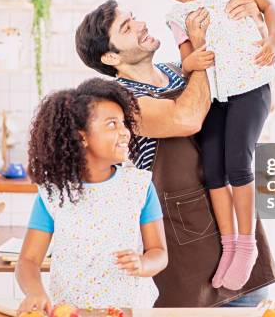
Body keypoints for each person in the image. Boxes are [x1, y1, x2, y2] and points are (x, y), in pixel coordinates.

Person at [75, 0, 275, 307]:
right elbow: (186, 118)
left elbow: (263, 98)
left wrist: (259, 28)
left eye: (134, 17)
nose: (141, 25)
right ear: (110, 56)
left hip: (238, 236)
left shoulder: (178, 69)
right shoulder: (124, 102)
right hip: (187, 254)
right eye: (127, 27)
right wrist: (201, 51)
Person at [130, 0, 275, 290]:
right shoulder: (175, 16)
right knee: (212, 167)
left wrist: (271, 38)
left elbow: (272, 7)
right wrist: (195, 48)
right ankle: (229, 243)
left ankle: (246, 245)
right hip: (215, 96)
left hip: (252, 88)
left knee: (238, 164)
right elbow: (186, 62)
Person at [15, 78, 167, 314]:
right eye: (111, 124)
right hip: (70, 310)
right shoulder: (54, 192)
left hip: (129, 308)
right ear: (82, 136)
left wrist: (143, 263)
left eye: (123, 123)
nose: (125, 131)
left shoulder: (139, 186)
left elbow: (159, 252)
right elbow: (28, 261)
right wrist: (35, 291)